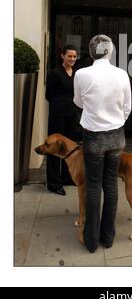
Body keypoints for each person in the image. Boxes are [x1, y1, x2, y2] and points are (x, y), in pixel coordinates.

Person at [73, 34, 132, 253]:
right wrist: (116, 123)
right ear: (110, 51)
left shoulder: (81, 74)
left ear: (90, 52)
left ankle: (91, 240)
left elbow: (78, 102)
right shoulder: (122, 74)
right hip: (116, 136)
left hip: (93, 137)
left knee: (93, 186)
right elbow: (127, 107)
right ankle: (108, 237)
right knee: (110, 185)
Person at [45, 44, 82, 195]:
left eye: (74, 56)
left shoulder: (77, 73)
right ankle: (54, 183)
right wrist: (61, 104)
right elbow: (49, 96)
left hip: (72, 115)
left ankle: (67, 178)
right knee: (54, 148)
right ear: (62, 56)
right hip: (58, 115)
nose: (72, 59)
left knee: (70, 148)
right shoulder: (54, 73)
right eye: (69, 56)